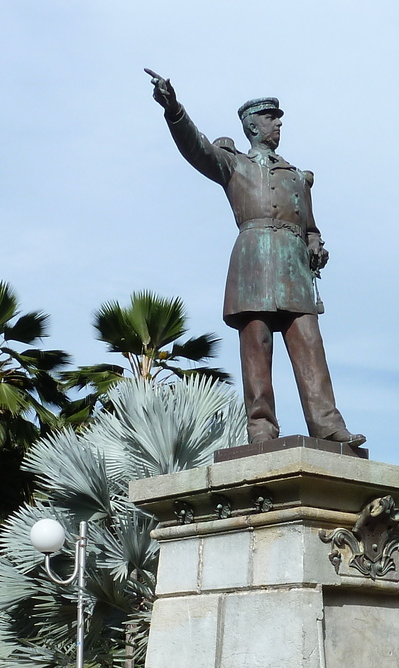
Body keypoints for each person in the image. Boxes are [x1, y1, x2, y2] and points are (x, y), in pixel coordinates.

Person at [149, 71, 365, 449]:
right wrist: (174, 110)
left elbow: (311, 226)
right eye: (270, 118)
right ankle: (261, 429)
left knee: (309, 345)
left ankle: (328, 426)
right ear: (251, 125)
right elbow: (195, 148)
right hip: (252, 263)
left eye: (278, 119)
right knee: (257, 348)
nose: (278, 123)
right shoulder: (234, 164)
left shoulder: (296, 176)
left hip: (294, 268)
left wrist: (315, 244)